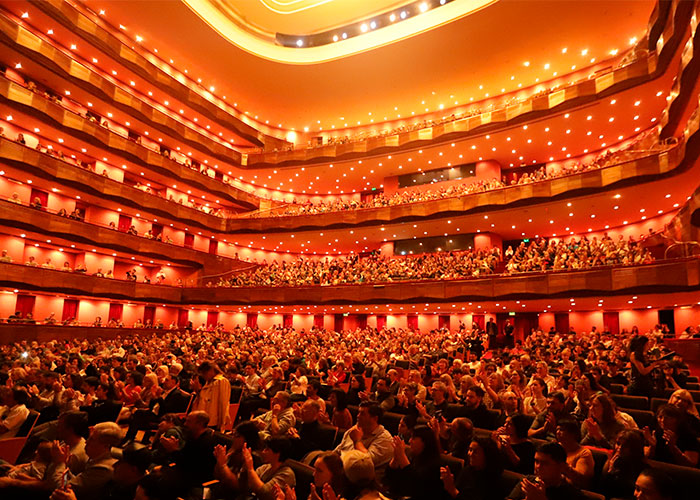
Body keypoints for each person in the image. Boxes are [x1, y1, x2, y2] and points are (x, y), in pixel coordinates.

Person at [46, 422, 123, 500]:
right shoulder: (97, 458)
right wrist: (65, 464)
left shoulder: (103, 469)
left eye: (92, 439)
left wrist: (59, 463)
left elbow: (61, 488)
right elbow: (74, 481)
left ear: (106, 446)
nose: (86, 442)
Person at [507, 442, 586, 500]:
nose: (538, 467)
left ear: (561, 466)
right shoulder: (527, 482)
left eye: (545, 463)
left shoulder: (571, 494)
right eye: (536, 461)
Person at [385, 425, 446, 500]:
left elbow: (415, 486)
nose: (409, 441)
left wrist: (402, 456)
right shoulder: (414, 457)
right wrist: (396, 458)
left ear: (424, 442)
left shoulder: (435, 464)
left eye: (413, 438)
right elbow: (389, 477)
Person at [334, 402, 393, 478]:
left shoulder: (384, 438)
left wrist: (357, 441)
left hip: (363, 479)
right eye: (358, 412)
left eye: (362, 414)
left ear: (375, 418)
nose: (358, 416)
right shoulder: (354, 430)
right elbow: (338, 451)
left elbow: (366, 463)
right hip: (343, 470)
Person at [441, 437, 505, 500]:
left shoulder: (492, 479)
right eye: (470, 450)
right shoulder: (467, 470)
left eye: (476, 452)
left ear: (486, 455)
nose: (470, 454)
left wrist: (452, 490)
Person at [600, 429, 647, 500]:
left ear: (634, 448)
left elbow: (630, 492)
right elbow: (603, 490)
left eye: (625, 446)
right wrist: (610, 471)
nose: (620, 448)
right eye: (618, 444)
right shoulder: (614, 462)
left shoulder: (641, 468)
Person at [192, 361, 231, 431]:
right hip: (204, 417)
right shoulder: (209, 382)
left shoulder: (221, 381)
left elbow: (222, 402)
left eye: (204, 373)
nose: (203, 376)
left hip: (213, 419)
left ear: (210, 371)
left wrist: (221, 422)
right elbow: (202, 399)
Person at [555, 420, 594, 489]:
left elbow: (582, 480)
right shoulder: (555, 447)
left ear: (573, 434)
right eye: (557, 429)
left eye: (562, 430)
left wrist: (564, 467)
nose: (558, 432)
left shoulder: (584, 453)